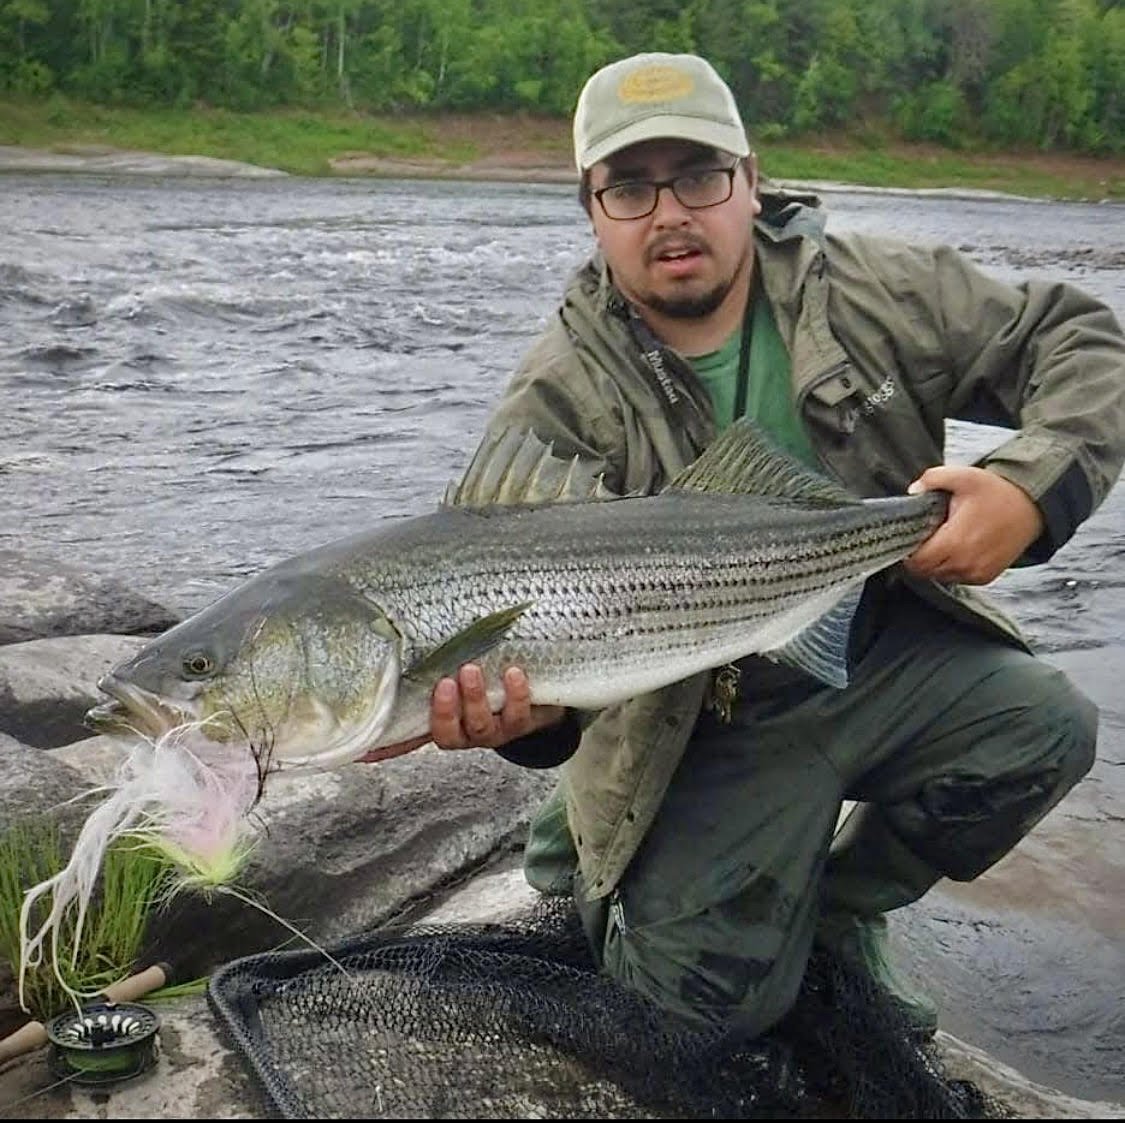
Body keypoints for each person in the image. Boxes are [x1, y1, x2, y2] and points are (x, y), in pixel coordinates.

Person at [363, 53, 1125, 1039]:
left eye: (699, 175)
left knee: (1045, 726)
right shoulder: (558, 397)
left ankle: (846, 914)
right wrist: (526, 727)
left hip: (873, 651)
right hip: (691, 718)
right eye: (630, 187)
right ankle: (598, 844)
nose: (669, 211)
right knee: (698, 1018)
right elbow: (548, 674)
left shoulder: (880, 291)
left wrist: (1029, 488)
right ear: (590, 209)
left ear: (751, 181)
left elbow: (1080, 340)